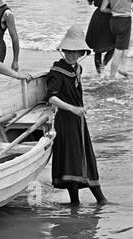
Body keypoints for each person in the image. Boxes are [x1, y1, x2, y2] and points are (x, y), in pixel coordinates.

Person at [45, 27, 107, 205]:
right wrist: (72, 109)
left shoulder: (77, 68)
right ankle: (77, 202)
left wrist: (77, 111)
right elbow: (52, 97)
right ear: (63, 51)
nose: (72, 55)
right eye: (68, 51)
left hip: (78, 121)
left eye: (75, 52)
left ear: (81, 52)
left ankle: (98, 199)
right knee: (72, 159)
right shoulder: (57, 72)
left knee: (84, 157)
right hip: (66, 121)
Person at [85, 0, 117, 73]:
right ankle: (104, 64)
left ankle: (99, 73)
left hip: (97, 17)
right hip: (109, 17)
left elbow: (90, 2)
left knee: (97, 49)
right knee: (115, 44)